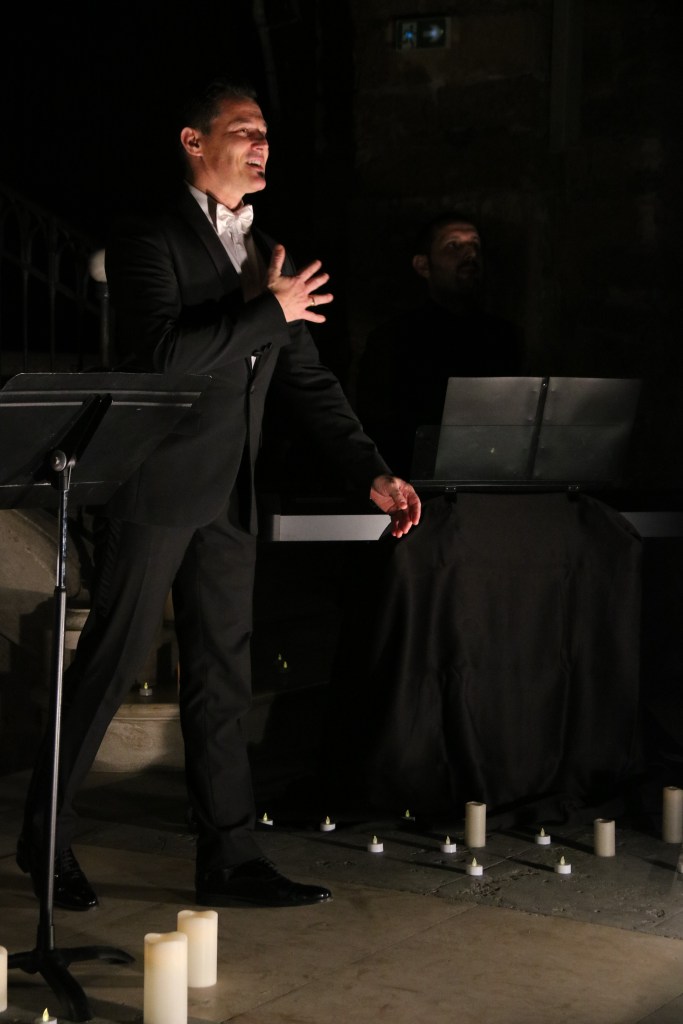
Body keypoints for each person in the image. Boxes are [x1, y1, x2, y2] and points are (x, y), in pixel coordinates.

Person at [17, 77, 421, 911]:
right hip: (156, 489)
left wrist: (370, 469)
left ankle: (230, 857)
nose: (261, 142)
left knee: (221, 681)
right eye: (243, 129)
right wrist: (266, 311)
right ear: (194, 142)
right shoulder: (149, 238)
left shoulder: (269, 251)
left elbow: (307, 381)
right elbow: (160, 357)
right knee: (107, 670)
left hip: (231, 497)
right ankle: (45, 842)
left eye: (266, 131)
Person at [355, 211, 525, 478]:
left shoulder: (503, 337)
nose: (470, 254)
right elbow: (376, 425)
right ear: (423, 265)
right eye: (453, 245)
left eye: (475, 244)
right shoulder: (394, 338)